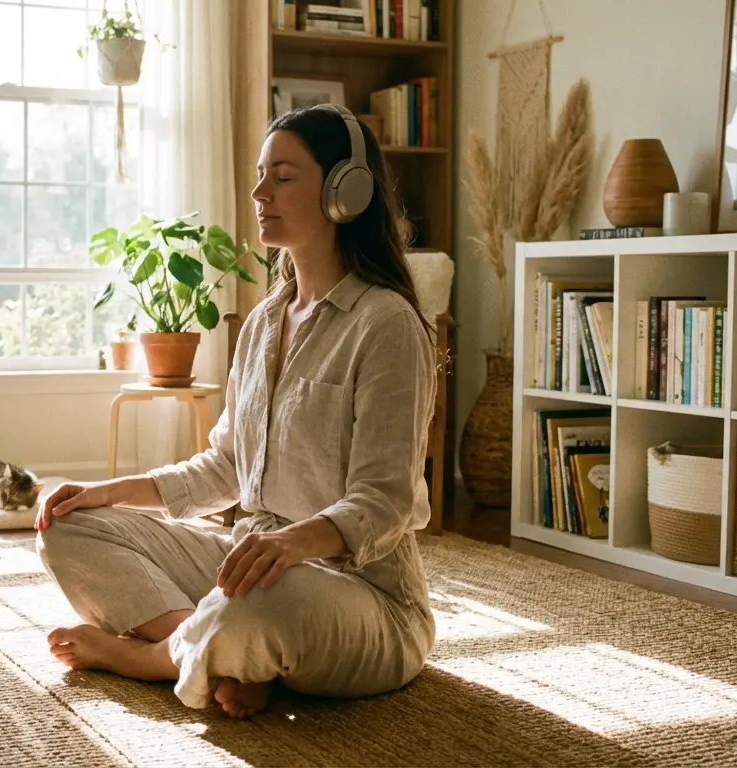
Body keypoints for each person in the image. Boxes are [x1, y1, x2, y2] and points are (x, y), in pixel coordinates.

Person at [34, 103, 438, 720]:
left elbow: (386, 502)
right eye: (259, 174)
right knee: (66, 527)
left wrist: (293, 544)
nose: (258, 193)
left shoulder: (386, 324)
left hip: (362, 597)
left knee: (260, 599)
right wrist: (107, 493)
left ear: (344, 193)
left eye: (283, 176)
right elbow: (224, 467)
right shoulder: (262, 324)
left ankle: (150, 657)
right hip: (251, 565)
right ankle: (226, 653)